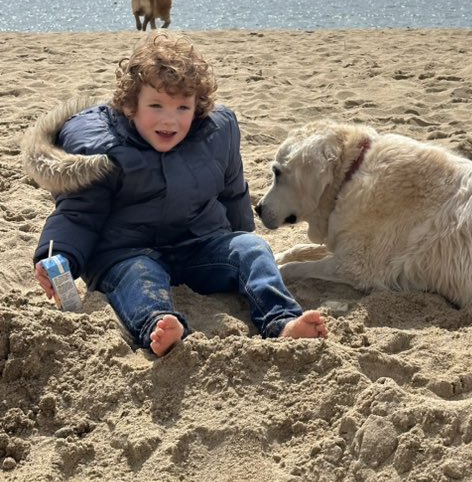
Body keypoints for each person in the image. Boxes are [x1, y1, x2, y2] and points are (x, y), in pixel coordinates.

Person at [26, 32, 327, 356]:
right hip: (125, 253)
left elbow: (232, 193)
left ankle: (282, 322)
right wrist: (60, 260)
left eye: (182, 107)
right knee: (139, 277)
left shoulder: (215, 135)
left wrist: (240, 238)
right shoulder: (104, 150)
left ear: (198, 106)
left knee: (252, 249)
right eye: (156, 106)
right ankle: (161, 326)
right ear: (131, 106)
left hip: (197, 245)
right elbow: (78, 214)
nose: (169, 119)